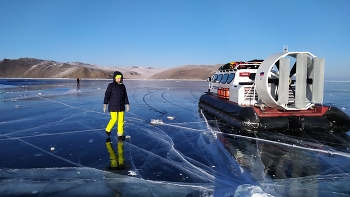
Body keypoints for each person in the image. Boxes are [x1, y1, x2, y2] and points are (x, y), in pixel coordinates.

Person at [103, 71, 130, 140]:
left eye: (120, 78)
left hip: (121, 106)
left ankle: (120, 134)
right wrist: (105, 104)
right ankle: (108, 129)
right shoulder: (111, 85)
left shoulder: (123, 86)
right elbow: (107, 95)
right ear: (114, 78)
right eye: (117, 78)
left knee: (121, 120)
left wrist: (127, 104)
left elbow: (125, 96)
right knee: (114, 119)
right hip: (113, 106)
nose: (119, 79)